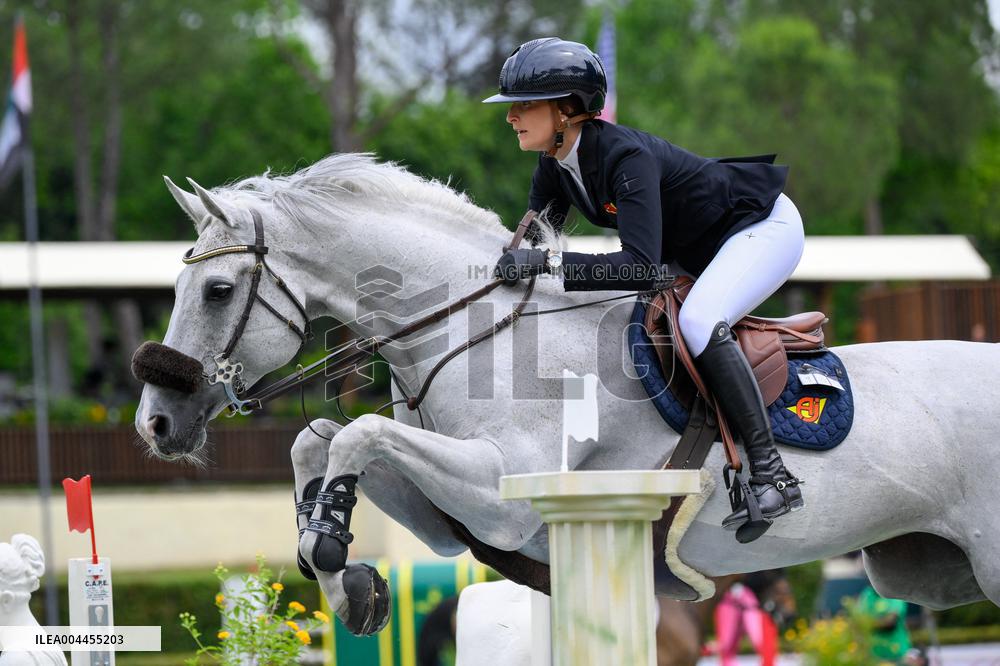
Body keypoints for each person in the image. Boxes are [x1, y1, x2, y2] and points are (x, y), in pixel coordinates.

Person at [484, 37, 805, 543]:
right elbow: (533, 247)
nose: (510, 117)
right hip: (698, 249)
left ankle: (772, 475)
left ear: (566, 109)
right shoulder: (553, 165)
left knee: (699, 321)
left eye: (524, 105)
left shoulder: (625, 156)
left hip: (761, 227)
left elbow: (638, 268)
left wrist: (544, 263)